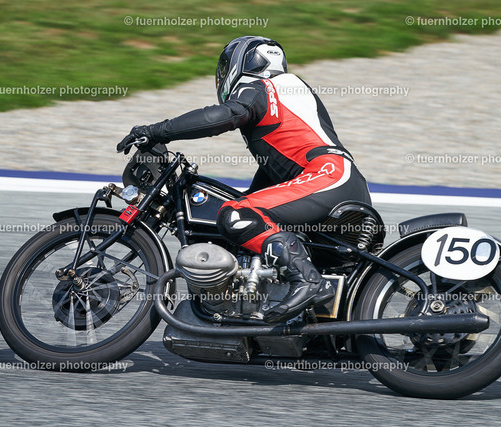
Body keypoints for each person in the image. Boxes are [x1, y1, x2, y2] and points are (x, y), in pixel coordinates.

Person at [117, 36, 371, 323]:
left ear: (242, 63)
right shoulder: (288, 95)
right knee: (249, 218)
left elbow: (223, 116)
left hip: (327, 176)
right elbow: (272, 177)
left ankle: (308, 281)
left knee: (236, 214)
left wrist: (155, 131)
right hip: (338, 181)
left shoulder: (262, 87)